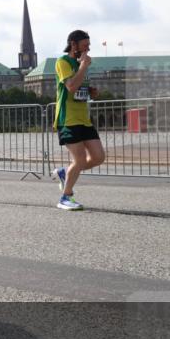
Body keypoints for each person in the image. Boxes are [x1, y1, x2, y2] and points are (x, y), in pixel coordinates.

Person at [51, 30, 106, 210]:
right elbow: (71, 86)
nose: (87, 49)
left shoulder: (81, 63)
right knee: (80, 159)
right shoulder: (63, 62)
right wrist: (83, 65)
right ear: (73, 44)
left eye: (88, 46)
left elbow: (80, 86)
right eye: (84, 46)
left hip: (84, 118)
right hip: (68, 118)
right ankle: (65, 197)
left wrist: (90, 91)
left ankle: (65, 172)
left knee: (98, 157)